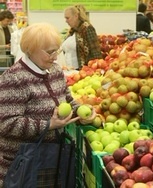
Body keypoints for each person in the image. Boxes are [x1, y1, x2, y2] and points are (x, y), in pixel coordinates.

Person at [0, 22, 96, 187]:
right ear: (30, 49)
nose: (55, 56)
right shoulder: (14, 78)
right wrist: (47, 125)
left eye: (57, 50)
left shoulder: (55, 71)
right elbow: (6, 123)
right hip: (22, 163)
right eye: (50, 52)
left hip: (50, 157)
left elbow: (67, 101)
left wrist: (81, 113)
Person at [63, 4, 102, 70]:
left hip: (83, 71)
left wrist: (95, 69)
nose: (66, 21)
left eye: (67, 18)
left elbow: (96, 53)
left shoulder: (87, 28)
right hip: (70, 71)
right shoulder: (72, 31)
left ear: (76, 16)